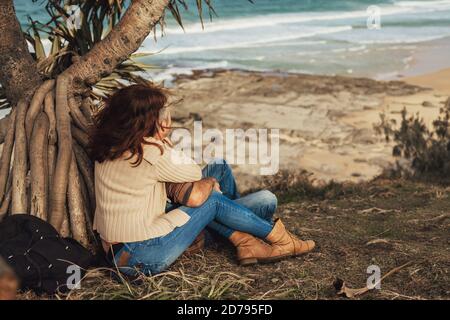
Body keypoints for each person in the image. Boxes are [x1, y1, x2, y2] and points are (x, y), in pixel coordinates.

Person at [89, 84, 315, 276]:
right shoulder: (149, 151)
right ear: (149, 121)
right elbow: (193, 172)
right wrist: (166, 144)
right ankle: (282, 241)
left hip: (119, 250)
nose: (167, 121)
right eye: (161, 116)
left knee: (220, 167)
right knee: (237, 200)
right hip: (141, 255)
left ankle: (238, 236)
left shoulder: (110, 145)